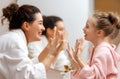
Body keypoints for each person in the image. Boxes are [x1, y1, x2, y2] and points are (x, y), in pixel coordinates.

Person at [0, 3, 67, 79]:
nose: (43, 28)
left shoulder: (16, 39)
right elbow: (29, 75)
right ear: (26, 26)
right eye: (40, 23)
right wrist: (53, 54)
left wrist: (49, 48)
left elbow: (29, 65)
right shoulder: (16, 42)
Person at [66, 12, 120, 79]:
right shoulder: (99, 49)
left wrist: (79, 58)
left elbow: (95, 76)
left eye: (87, 26)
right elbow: (88, 71)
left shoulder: (103, 51)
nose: (83, 29)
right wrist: (74, 60)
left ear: (99, 32)